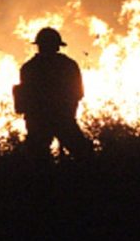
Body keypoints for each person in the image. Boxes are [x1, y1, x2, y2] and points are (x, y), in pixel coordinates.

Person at [14, 27, 92, 161]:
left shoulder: (29, 67)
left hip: (38, 121)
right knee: (84, 154)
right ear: (57, 46)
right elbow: (78, 94)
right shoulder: (68, 65)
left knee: (35, 159)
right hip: (63, 119)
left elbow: (25, 97)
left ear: (38, 46)